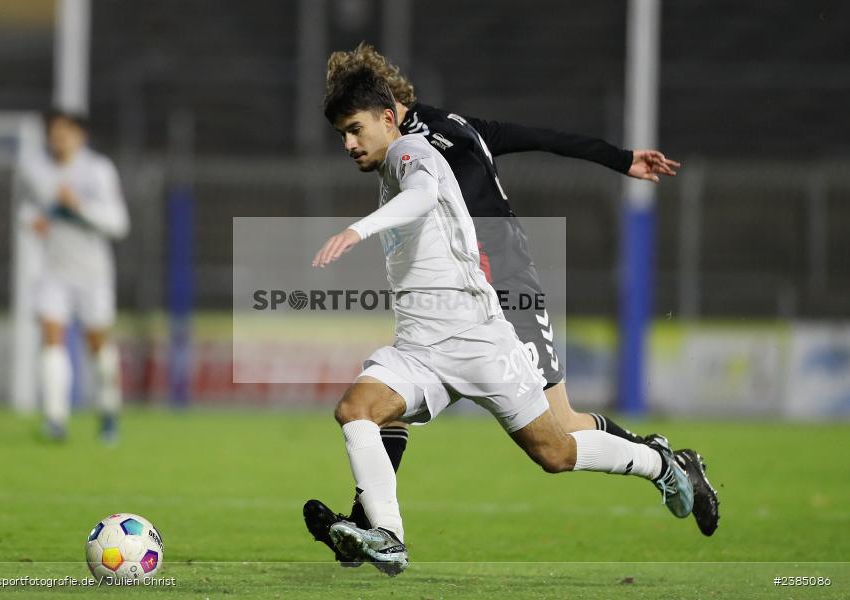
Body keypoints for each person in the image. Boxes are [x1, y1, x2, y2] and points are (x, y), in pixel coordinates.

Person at [304, 44, 719, 562]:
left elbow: (427, 192)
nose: (348, 141)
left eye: (353, 125)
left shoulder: (416, 149)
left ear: (386, 108)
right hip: (441, 316)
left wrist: (358, 232)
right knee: (373, 408)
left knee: (558, 434)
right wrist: (618, 158)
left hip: (502, 288)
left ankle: (660, 459)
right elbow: (538, 137)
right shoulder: (449, 127)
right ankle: (376, 529)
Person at [16, 109, 129, 442]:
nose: (57, 139)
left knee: (97, 343)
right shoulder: (34, 168)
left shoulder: (98, 171)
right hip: (53, 269)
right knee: (51, 336)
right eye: (53, 132)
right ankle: (55, 418)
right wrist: (31, 221)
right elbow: (25, 210)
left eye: (64, 132)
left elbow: (119, 223)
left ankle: (108, 409)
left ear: (81, 136)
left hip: (93, 273)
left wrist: (78, 206)